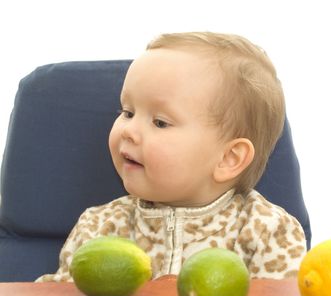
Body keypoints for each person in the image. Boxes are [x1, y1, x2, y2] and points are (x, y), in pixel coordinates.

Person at [36, 32, 306, 282]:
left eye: (160, 122)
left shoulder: (268, 232)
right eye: (127, 112)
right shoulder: (100, 226)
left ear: (229, 159)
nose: (129, 130)